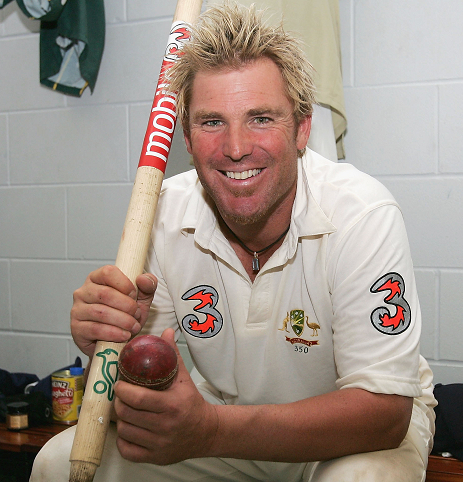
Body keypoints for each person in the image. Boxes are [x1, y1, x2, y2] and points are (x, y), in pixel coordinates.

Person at [30, 2, 436, 482]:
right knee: (57, 463)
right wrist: (110, 341)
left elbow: (383, 415)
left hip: (343, 440)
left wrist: (209, 432)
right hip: (223, 422)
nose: (237, 147)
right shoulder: (163, 211)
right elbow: (139, 390)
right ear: (185, 134)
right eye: (212, 122)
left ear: (302, 128)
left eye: (261, 118)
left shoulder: (361, 214)